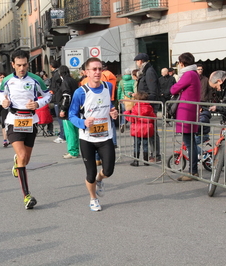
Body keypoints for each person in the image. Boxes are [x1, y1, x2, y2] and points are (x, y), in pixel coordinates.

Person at [0, 50, 51, 209]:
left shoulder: (35, 79)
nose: (22, 68)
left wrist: (38, 104)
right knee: (21, 155)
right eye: (19, 65)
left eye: (24, 65)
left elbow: (48, 95)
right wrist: (4, 102)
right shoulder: (7, 80)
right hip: (14, 120)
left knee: (25, 159)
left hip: (31, 121)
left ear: (28, 64)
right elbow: (1, 93)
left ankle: (17, 163)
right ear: (13, 64)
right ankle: (27, 196)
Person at [68, 57, 118, 212]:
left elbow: (109, 105)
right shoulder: (80, 92)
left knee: (108, 170)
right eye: (94, 69)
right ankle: (93, 198)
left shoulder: (108, 86)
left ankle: (100, 179)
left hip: (105, 136)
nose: (97, 72)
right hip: (87, 139)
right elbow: (71, 115)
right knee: (90, 173)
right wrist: (83, 123)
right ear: (86, 72)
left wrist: (113, 112)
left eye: (99, 69)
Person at [169, 52, 201, 181]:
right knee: (191, 141)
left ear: (182, 63)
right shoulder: (194, 74)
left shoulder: (188, 74)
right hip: (191, 111)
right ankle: (193, 170)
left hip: (186, 112)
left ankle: (192, 172)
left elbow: (173, 89)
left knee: (189, 143)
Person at [134, 53, 161, 163]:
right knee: (148, 130)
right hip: (145, 105)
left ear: (141, 61)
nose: (136, 63)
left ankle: (155, 154)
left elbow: (153, 91)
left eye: (137, 61)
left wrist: (143, 99)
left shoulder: (149, 72)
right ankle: (153, 154)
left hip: (149, 106)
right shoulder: (145, 71)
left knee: (152, 131)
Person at [123, 91, 156, 167]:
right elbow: (153, 118)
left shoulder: (135, 107)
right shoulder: (149, 107)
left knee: (137, 145)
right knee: (145, 145)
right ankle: (145, 161)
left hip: (137, 129)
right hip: (146, 129)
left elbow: (132, 119)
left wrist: (127, 112)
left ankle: (136, 161)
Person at [58, 65, 80, 159]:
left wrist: (63, 109)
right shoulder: (73, 81)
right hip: (75, 109)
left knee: (69, 132)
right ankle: (76, 150)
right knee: (75, 131)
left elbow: (66, 96)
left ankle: (72, 151)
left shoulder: (65, 82)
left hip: (68, 110)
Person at [49, 60, 66, 143]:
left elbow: (55, 87)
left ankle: (62, 136)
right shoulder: (59, 74)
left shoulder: (56, 75)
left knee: (60, 117)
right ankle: (63, 134)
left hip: (58, 98)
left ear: (51, 66)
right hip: (60, 97)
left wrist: (52, 91)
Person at [117, 68, 135, 133]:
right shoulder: (133, 81)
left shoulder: (121, 82)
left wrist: (119, 99)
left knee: (124, 112)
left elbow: (119, 91)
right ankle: (132, 124)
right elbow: (134, 90)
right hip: (130, 99)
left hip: (123, 99)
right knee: (131, 112)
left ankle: (122, 123)